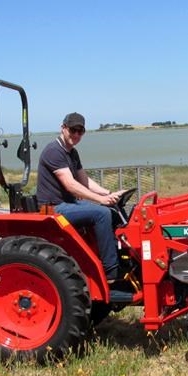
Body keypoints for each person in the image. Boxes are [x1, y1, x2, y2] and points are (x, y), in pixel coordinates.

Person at [36, 112, 123, 282]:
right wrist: (100, 200)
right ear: (63, 128)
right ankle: (110, 271)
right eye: (73, 130)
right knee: (101, 213)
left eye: (80, 131)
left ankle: (119, 257)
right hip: (54, 207)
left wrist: (107, 194)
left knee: (111, 210)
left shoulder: (72, 152)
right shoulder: (54, 151)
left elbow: (84, 180)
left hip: (68, 203)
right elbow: (71, 185)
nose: (76, 135)